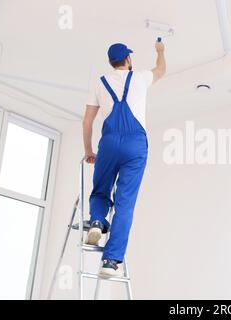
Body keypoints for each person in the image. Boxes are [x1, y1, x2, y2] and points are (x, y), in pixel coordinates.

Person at [82, 40, 166, 277]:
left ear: (110, 62)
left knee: (100, 191)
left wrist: (89, 151)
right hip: (135, 146)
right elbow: (161, 70)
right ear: (128, 60)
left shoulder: (99, 83)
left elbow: (87, 122)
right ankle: (110, 261)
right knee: (124, 204)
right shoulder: (139, 77)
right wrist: (160, 52)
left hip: (109, 144)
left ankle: (97, 221)